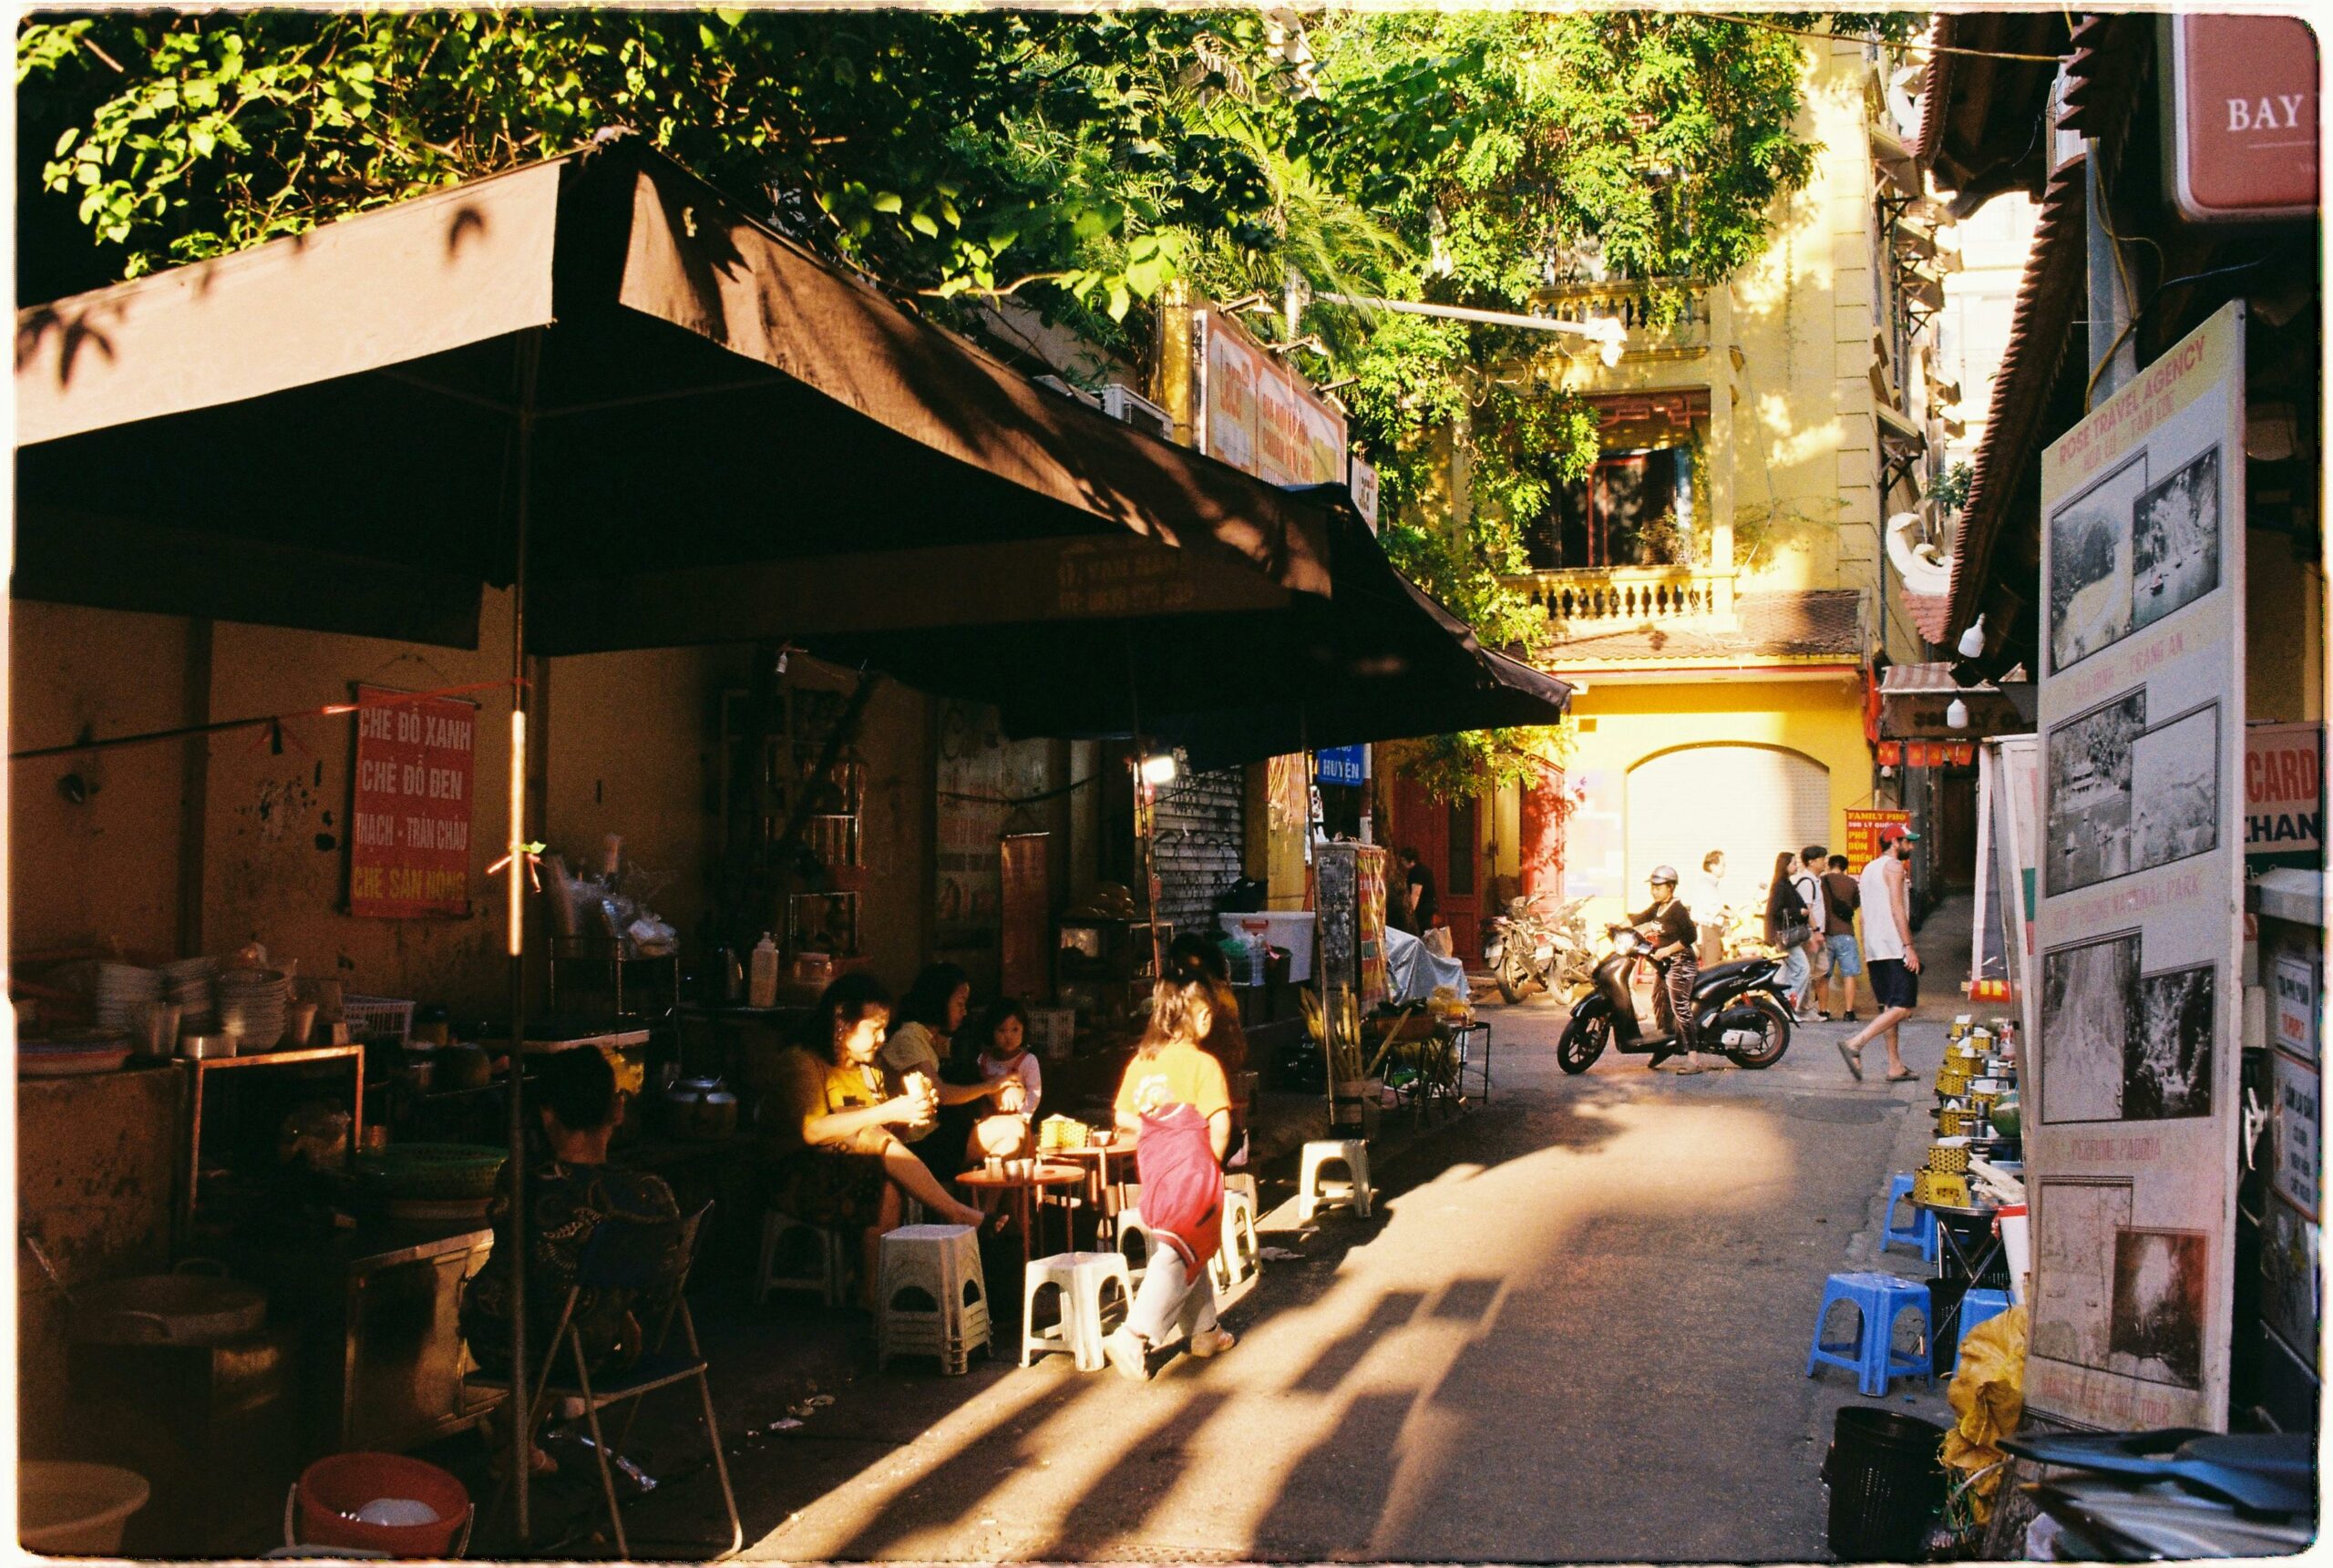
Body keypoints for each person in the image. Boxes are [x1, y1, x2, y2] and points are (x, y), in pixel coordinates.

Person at [463, 1045, 681, 1475]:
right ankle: (515, 1434)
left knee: (559, 1331)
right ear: (617, 1110)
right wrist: (623, 1311)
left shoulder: (517, 1181)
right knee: (569, 1333)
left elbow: (535, 1275)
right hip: (589, 1347)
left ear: (547, 1115)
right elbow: (660, 1285)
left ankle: (515, 1435)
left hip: (498, 1335)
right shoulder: (647, 1194)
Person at [759, 972, 989, 1306]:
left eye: (884, 1028)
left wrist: (908, 1115)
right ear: (842, 1021)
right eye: (874, 1029)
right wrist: (887, 1112)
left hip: (852, 1169)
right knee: (872, 1148)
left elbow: (886, 1141)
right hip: (793, 1174)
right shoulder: (803, 1060)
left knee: (885, 1184)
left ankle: (873, 1294)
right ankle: (956, 1213)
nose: (882, 1038)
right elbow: (813, 1130)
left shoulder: (869, 1069)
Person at [1100, 978, 1236, 1379]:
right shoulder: (1203, 1065)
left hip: (1156, 1169)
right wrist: (1208, 1163)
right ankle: (1134, 1333)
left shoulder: (1142, 1062)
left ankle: (1205, 1330)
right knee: (1179, 1251)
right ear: (1202, 1017)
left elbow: (1122, 1116)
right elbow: (1221, 1125)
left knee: (1188, 1245)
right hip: (1193, 1172)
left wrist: (1159, 1130)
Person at [880, 962, 1013, 1181]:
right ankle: (982, 1203)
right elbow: (941, 1093)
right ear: (940, 1001)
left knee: (1021, 1131)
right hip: (916, 1142)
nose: (964, 1011)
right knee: (1012, 1131)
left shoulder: (932, 1037)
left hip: (938, 1132)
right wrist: (991, 1086)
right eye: (960, 1004)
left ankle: (1008, 1204)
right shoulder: (909, 1036)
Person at [1840, 825, 1921, 1083]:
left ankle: (1895, 1065)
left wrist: (1867, 948)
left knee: (1890, 1007)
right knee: (1904, 1007)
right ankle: (1855, 1043)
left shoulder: (1868, 869)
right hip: (1894, 946)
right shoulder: (1894, 867)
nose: (1911, 846)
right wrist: (1908, 946)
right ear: (1895, 842)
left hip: (1876, 948)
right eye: (1908, 842)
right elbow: (1898, 909)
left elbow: (1863, 916)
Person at [1168, 931, 1252, 1153]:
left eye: (1181, 961)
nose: (1178, 968)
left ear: (1194, 958)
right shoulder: (1215, 981)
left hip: (1219, 1054)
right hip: (1231, 1054)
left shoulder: (1204, 988)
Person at [1631, 864, 1716, 1073]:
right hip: (1665, 963)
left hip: (1682, 963)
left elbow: (1690, 936)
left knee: (1680, 1008)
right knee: (1659, 1002)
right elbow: (1639, 918)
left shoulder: (1677, 909)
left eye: (1658, 887)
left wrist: (1668, 950)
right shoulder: (1658, 907)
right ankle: (1665, 1045)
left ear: (1670, 887)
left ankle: (1693, 1058)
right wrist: (1616, 926)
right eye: (1652, 887)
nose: (1654, 891)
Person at [960, 997, 1042, 1163]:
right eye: (1002, 1030)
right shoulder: (983, 1060)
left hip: (1017, 1118)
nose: (1009, 1036)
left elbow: (1034, 1092)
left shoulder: (1028, 1061)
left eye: (1015, 1030)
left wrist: (1024, 1115)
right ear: (991, 1031)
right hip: (989, 1121)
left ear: (1024, 1030)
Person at [1764, 850, 1814, 1018]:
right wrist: (1798, 912)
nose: (1796, 866)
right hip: (1784, 937)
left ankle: (1779, 1010)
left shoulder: (1785, 883)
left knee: (1784, 974)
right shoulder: (1781, 885)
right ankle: (1788, 1005)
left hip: (1782, 936)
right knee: (1802, 969)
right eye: (1793, 863)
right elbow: (1776, 911)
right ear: (1785, 865)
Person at [1819, 853, 1864, 1022]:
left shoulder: (1822, 881)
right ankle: (1849, 1011)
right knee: (1849, 974)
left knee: (1824, 974)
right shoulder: (1851, 882)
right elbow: (1855, 904)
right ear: (1845, 867)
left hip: (1826, 933)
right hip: (1846, 933)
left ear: (1829, 865)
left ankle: (1823, 1010)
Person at [1793, 845, 1831, 1023]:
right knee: (1808, 972)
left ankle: (1808, 1007)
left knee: (1820, 971)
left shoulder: (1815, 881)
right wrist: (1815, 932)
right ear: (1811, 862)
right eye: (1822, 859)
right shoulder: (1807, 882)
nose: (1825, 862)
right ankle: (1803, 1008)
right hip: (1810, 934)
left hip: (1817, 933)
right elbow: (1807, 910)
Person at [1691, 850, 1729, 966]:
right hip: (1709, 931)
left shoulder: (1708, 883)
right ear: (1712, 866)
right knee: (1712, 969)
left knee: (1713, 967)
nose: (1724, 868)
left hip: (1710, 931)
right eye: (1722, 865)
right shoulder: (1706, 884)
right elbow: (1713, 909)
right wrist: (1730, 913)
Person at [1399, 846, 1439, 934]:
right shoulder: (1424, 870)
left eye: (1403, 860)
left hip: (1421, 911)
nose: (1402, 863)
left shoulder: (1416, 872)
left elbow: (1416, 893)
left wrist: (1410, 912)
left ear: (1411, 861)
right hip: (1428, 909)